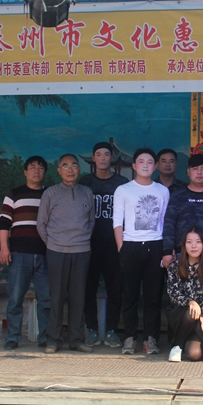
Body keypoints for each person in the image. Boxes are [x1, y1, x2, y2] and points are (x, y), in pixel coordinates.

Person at [113, 148, 171, 355]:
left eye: (149, 162)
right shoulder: (123, 190)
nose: (145, 165)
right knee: (129, 295)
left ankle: (150, 339)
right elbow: (117, 222)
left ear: (155, 167)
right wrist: (122, 248)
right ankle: (129, 337)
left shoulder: (162, 191)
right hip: (130, 245)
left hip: (155, 245)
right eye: (141, 161)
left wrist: (165, 249)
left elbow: (164, 221)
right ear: (133, 166)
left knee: (152, 296)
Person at [36, 154, 96, 353]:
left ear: (79, 169)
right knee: (57, 296)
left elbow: (91, 222)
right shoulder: (50, 193)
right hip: (57, 251)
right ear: (58, 170)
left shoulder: (87, 193)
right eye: (65, 166)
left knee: (79, 296)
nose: (70, 170)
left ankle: (77, 340)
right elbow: (41, 225)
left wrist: (81, 240)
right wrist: (54, 244)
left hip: (82, 251)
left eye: (74, 165)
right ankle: (53, 340)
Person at [78, 142, 129, 348]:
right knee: (88, 287)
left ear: (111, 158)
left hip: (114, 244)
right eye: (98, 154)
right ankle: (91, 329)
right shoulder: (85, 183)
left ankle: (111, 331)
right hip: (88, 243)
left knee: (115, 288)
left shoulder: (122, 183)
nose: (102, 158)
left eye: (106, 154)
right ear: (93, 158)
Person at [0, 155, 51, 350]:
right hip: (19, 253)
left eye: (41, 168)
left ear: (45, 172)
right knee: (15, 298)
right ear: (25, 172)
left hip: (45, 254)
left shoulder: (50, 194)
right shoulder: (14, 194)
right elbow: (4, 222)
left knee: (46, 299)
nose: (37, 171)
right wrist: (4, 247)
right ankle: (13, 337)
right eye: (32, 167)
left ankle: (44, 337)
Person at [165, 226, 203, 363]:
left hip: (200, 318)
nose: (193, 246)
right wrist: (190, 302)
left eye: (198, 242)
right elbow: (173, 293)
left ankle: (186, 342)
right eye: (189, 242)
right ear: (184, 245)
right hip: (179, 314)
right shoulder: (174, 266)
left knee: (195, 355)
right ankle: (177, 345)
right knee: (190, 312)